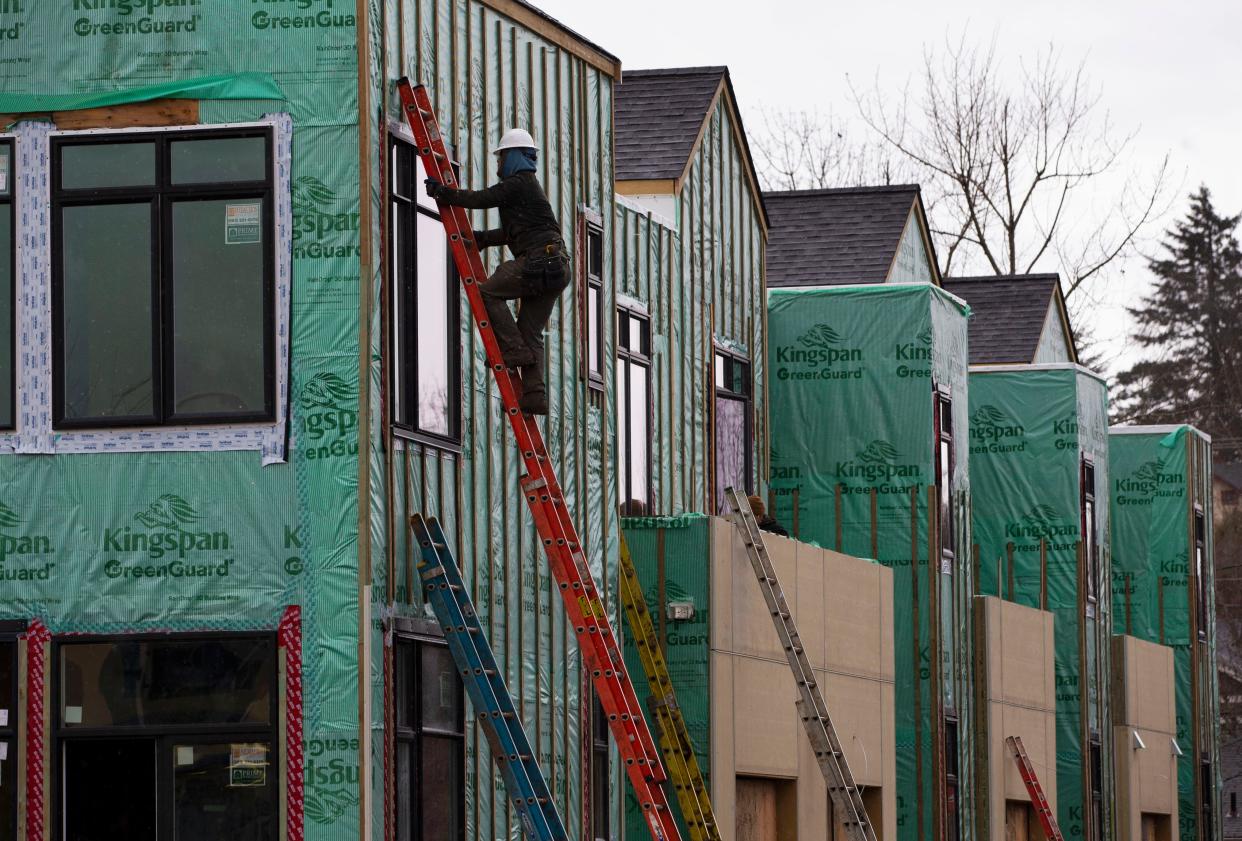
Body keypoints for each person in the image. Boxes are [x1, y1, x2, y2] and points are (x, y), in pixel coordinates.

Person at [424, 127, 569, 416]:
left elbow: (481, 199)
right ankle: (535, 395)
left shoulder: (519, 183)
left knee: (488, 291)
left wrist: (443, 193)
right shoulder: (527, 189)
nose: (499, 164)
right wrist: (483, 239)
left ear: (513, 157)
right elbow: (514, 233)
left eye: (501, 158)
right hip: (555, 268)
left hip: (540, 261)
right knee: (531, 333)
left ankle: (514, 350)